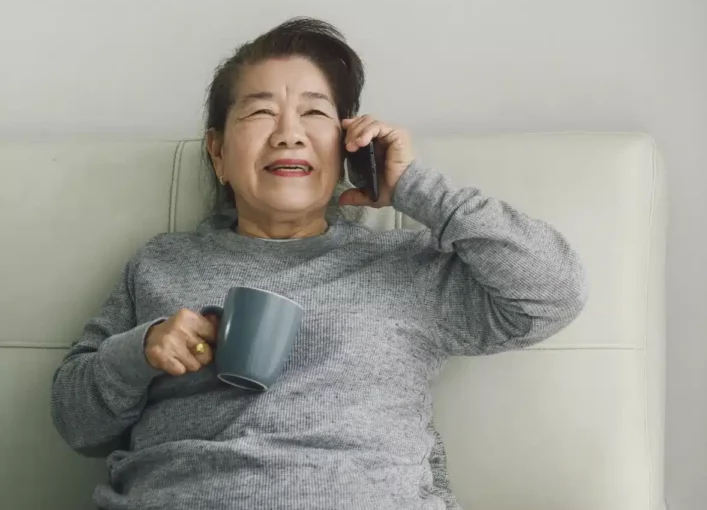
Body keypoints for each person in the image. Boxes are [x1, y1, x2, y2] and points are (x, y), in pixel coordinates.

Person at [50, 17, 588, 510]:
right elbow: (78, 426)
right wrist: (140, 352)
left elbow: (553, 292)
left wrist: (415, 188)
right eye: (261, 112)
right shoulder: (161, 264)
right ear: (217, 153)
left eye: (314, 112)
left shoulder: (406, 265)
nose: (289, 132)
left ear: (348, 144)